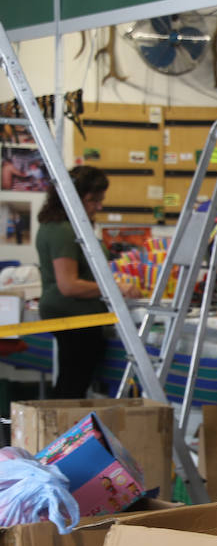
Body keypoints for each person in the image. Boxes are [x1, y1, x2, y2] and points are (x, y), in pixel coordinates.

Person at [35, 165, 139, 398]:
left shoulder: (61, 225)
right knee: (71, 388)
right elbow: (68, 284)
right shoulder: (63, 230)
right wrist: (116, 288)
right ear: (72, 197)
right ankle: (62, 433)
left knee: (72, 384)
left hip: (77, 316)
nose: (99, 207)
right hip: (74, 317)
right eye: (93, 200)